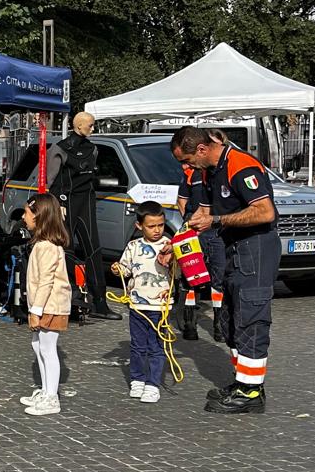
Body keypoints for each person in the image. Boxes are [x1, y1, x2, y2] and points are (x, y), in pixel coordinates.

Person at [171, 126, 278, 414]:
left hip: (255, 248)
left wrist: (217, 219)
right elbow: (201, 215)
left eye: (189, 160)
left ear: (203, 150)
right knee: (231, 319)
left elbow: (265, 212)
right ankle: (243, 382)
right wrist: (178, 242)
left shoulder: (240, 165)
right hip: (234, 247)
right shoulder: (208, 171)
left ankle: (251, 392)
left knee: (251, 318)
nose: (186, 167)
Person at [46, 111, 120, 320]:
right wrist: (56, 203)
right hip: (66, 202)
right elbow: (50, 180)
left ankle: (100, 303)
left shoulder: (93, 149)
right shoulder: (60, 148)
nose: (93, 129)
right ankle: (70, 298)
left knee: (94, 249)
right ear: (78, 126)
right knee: (66, 250)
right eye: (90, 126)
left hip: (86, 201)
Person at [111, 201, 175, 404]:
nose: (157, 230)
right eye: (151, 226)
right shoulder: (133, 246)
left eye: (160, 225)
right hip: (137, 305)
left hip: (160, 306)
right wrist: (118, 270)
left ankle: (153, 383)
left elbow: (179, 274)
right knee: (138, 345)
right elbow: (126, 269)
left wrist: (175, 260)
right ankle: (138, 378)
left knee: (156, 346)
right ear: (139, 226)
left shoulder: (169, 245)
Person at [20, 193, 72, 415]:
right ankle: (45, 390)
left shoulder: (48, 247)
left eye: (27, 213)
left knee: (48, 349)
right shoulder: (42, 244)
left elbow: (46, 280)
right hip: (44, 305)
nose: (23, 217)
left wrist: (36, 310)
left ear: (39, 216)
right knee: (38, 346)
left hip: (51, 306)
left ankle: (52, 397)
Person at [176, 131, 226, 342]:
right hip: (196, 231)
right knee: (191, 278)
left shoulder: (219, 173)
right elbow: (181, 201)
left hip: (215, 231)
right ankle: (190, 325)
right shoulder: (192, 173)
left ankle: (219, 326)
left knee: (218, 280)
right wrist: (190, 223)